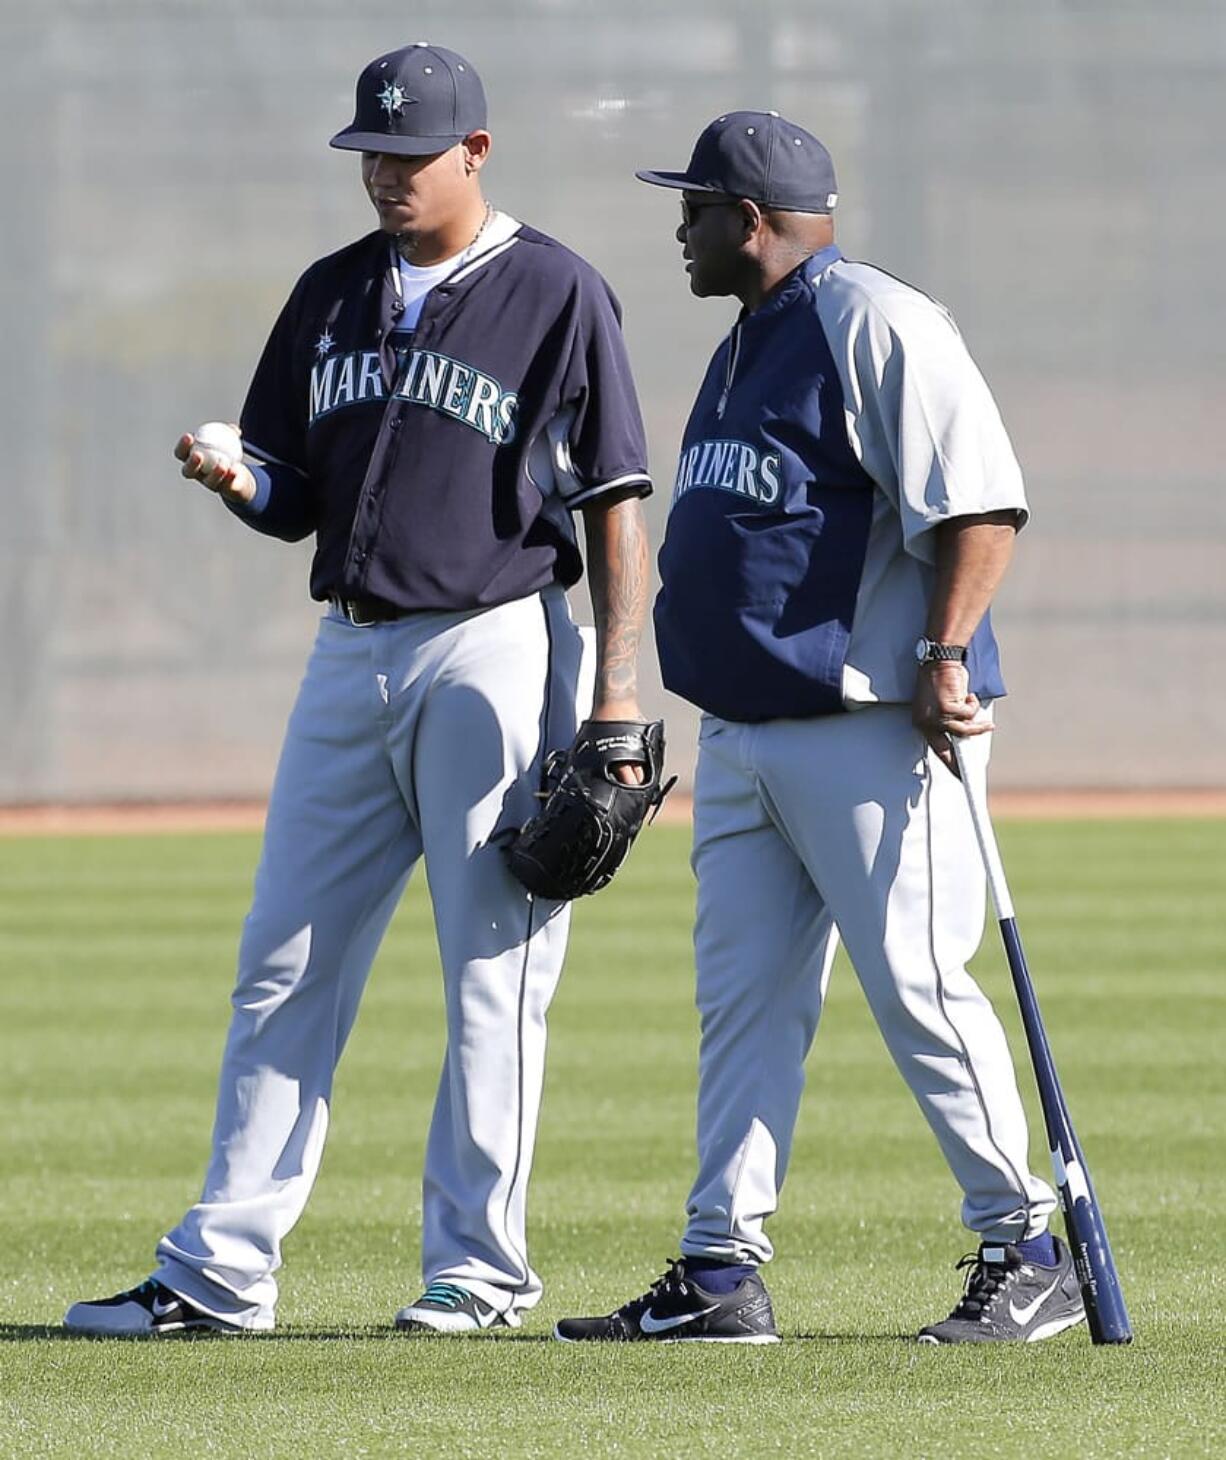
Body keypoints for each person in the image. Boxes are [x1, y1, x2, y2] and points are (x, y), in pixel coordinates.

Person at [65, 42, 653, 1338]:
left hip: (498, 640)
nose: (385, 174)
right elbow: (295, 496)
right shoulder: (331, 293)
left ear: (475, 153)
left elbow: (615, 508)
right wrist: (239, 481)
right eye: (370, 153)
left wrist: (615, 700)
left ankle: (480, 1274)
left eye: (409, 152)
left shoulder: (556, 290)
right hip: (351, 647)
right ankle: (220, 1272)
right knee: (281, 961)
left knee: (491, 971)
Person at [555, 112, 1084, 1346]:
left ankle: (1025, 1242)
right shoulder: (749, 335)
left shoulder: (873, 320)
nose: (676, 229)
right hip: (743, 730)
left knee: (916, 987)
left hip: (868, 724)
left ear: (749, 221)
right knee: (741, 1005)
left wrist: (944, 652)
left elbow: (982, 503)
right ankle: (719, 1267)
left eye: (692, 209)